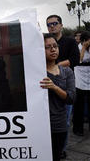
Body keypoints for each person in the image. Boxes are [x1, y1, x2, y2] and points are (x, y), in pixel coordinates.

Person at [46, 15, 80, 159]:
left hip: (63, 83)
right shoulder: (43, 40)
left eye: (55, 23)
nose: (52, 26)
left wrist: (56, 66)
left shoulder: (70, 41)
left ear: (61, 25)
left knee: (64, 121)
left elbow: (75, 60)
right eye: (49, 24)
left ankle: (62, 149)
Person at [40, 33, 75, 161]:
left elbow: (71, 98)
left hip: (58, 125)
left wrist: (54, 87)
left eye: (55, 46)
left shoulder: (67, 71)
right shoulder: (35, 72)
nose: (53, 49)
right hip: (39, 126)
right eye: (47, 47)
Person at [73, 31, 90, 136]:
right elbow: (78, 60)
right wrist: (83, 47)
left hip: (89, 75)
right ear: (84, 40)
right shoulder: (78, 48)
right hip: (79, 77)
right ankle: (78, 128)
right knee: (79, 105)